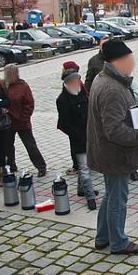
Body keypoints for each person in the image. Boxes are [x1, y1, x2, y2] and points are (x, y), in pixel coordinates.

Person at [88, 39, 138, 255]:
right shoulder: (112, 88)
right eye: (130, 58)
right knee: (118, 198)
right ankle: (118, 242)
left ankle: (102, 238)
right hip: (115, 154)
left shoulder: (106, 78)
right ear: (120, 61)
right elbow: (114, 130)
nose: (133, 62)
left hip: (109, 152)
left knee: (111, 195)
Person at [56, 67, 97, 198]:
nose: (78, 82)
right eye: (75, 80)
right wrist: (76, 135)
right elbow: (64, 123)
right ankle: (90, 197)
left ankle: (82, 189)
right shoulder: (62, 99)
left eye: (79, 79)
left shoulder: (83, 93)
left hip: (90, 135)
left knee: (85, 166)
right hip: (78, 139)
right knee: (84, 168)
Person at [5, 64, 47, 177]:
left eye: (10, 73)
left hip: (22, 122)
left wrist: (24, 118)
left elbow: (29, 104)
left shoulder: (23, 86)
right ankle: (11, 166)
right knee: (8, 146)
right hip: (8, 122)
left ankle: (41, 166)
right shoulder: (4, 86)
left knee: (30, 145)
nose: (8, 76)